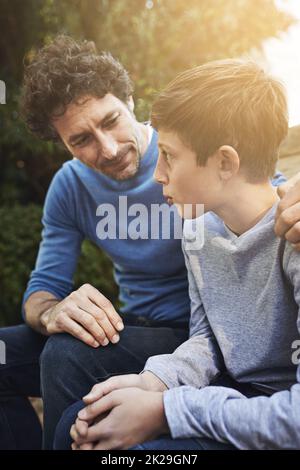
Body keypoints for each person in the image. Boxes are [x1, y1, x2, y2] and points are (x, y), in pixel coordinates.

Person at [0, 35, 299, 450]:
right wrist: (53, 311)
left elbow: (257, 191)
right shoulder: (73, 189)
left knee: (66, 356)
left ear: (130, 101)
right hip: (150, 334)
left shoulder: (196, 161)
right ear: (63, 145)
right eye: (80, 140)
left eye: (110, 122)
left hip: (194, 341)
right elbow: (43, 288)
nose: (107, 149)